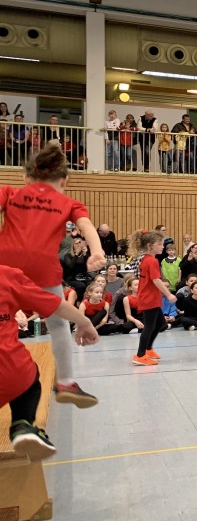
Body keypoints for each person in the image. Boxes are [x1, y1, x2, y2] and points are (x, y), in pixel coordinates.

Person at [0, 143, 105, 408]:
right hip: (44, 269)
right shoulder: (69, 203)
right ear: (64, 180)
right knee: (58, 324)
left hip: (5, 262)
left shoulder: (10, 193)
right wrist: (96, 251)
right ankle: (66, 382)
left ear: (27, 177)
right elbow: (86, 225)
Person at [1, 265, 100, 461]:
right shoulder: (6, 276)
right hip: (11, 373)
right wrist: (85, 322)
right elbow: (54, 304)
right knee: (27, 376)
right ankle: (22, 423)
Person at [130, 230, 176, 366]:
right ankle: (140, 355)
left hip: (152, 297)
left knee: (161, 324)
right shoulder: (152, 261)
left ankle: (148, 349)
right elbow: (156, 280)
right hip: (149, 298)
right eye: (160, 244)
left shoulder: (146, 259)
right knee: (149, 327)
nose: (163, 246)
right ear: (150, 246)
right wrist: (168, 294)